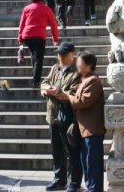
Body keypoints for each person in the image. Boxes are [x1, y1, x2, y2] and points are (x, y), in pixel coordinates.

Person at [56, 51, 105, 192]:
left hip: (92, 129)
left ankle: (94, 189)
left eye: (80, 63)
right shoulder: (84, 79)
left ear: (89, 65)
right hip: (85, 129)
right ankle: (90, 188)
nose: (77, 65)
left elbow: (83, 102)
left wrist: (68, 97)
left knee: (93, 164)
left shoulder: (93, 80)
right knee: (86, 163)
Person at [41, 41, 82, 192]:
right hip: (52, 115)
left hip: (68, 117)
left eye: (64, 54)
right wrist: (46, 89)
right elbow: (44, 82)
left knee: (72, 151)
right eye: (59, 54)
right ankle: (59, 179)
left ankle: (74, 183)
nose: (61, 57)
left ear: (73, 54)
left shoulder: (77, 71)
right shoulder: (55, 68)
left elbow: (74, 93)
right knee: (56, 150)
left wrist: (58, 93)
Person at [18, 0, 59, 89]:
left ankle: (35, 76)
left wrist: (20, 38)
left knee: (33, 55)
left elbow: (22, 24)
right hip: (39, 36)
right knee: (39, 59)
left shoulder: (27, 9)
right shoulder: (47, 9)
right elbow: (53, 25)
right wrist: (55, 39)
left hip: (27, 35)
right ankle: (35, 81)